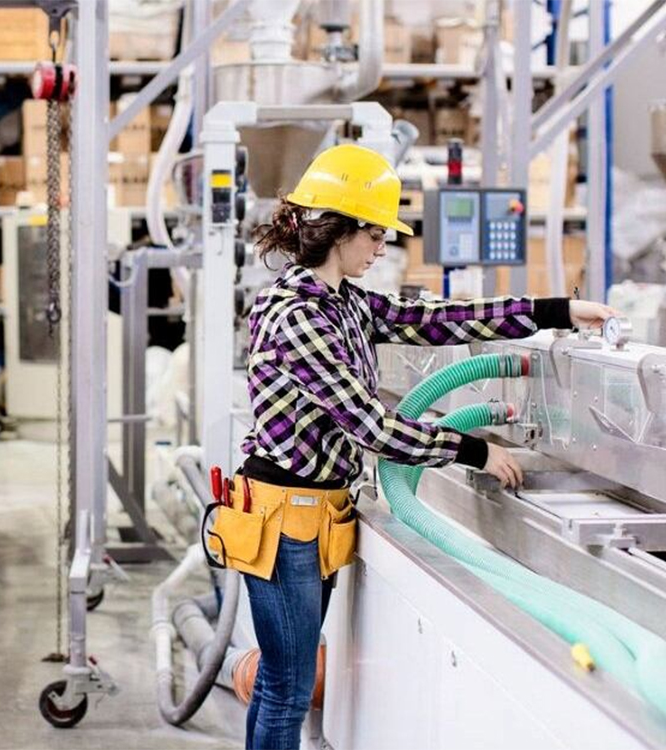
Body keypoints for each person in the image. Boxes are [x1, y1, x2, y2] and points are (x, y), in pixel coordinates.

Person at [234, 144, 616, 750]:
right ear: (340, 229)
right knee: (287, 685)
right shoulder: (298, 316)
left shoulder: (347, 303)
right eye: (375, 233)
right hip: (284, 520)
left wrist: (558, 310)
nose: (382, 246)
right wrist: (473, 450)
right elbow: (372, 428)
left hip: (314, 516)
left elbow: (439, 319)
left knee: (286, 680)